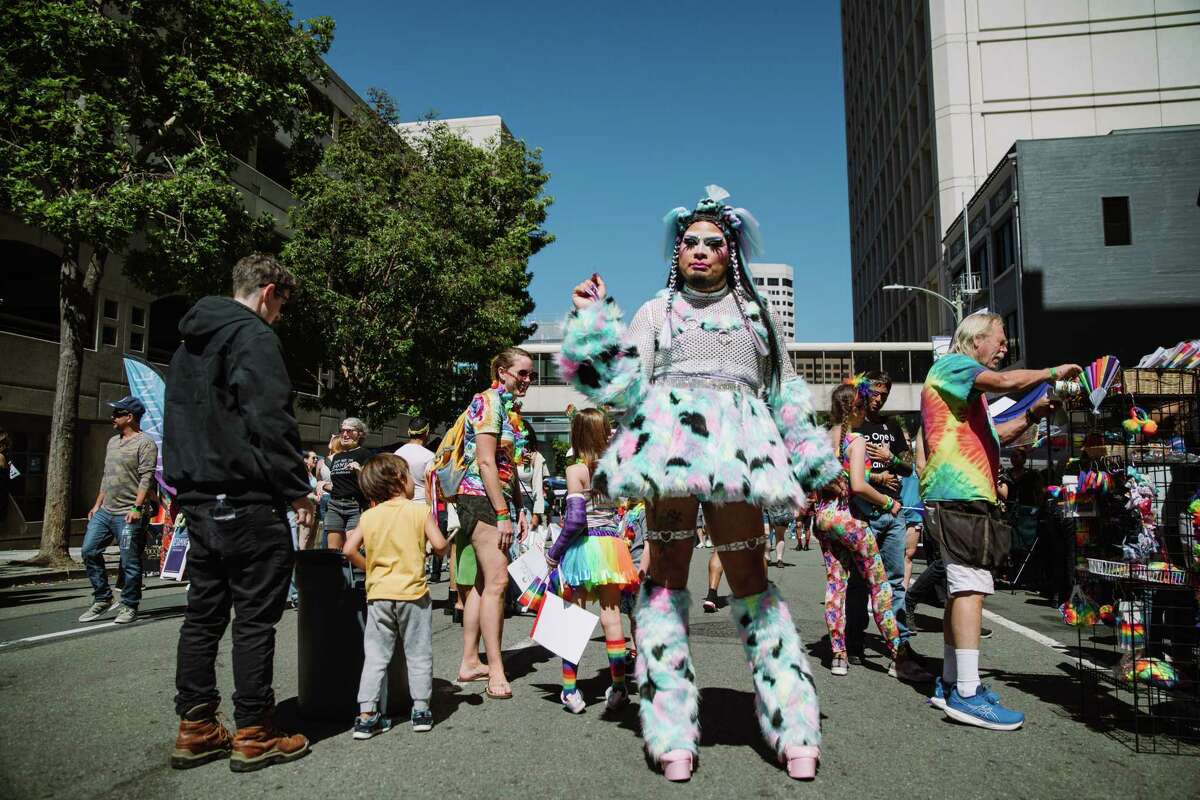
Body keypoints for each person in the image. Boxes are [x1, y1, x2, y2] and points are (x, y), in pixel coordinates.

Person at [558, 188, 840, 781]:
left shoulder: (756, 315)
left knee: (749, 578)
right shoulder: (656, 311)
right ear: (677, 250)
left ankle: (794, 723)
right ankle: (669, 727)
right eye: (690, 242)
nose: (702, 251)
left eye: (715, 242)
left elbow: (784, 390)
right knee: (663, 577)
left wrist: (815, 462)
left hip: (740, 453)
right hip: (671, 448)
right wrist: (589, 319)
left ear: (731, 250)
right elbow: (614, 385)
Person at [164, 253, 314, 772]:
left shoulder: (188, 345)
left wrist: (184, 489)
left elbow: (178, 423)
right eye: (282, 305)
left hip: (199, 499)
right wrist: (298, 490)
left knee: (202, 616)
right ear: (269, 291)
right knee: (254, 619)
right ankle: (254, 730)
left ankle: (197, 724)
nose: (280, 316)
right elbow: (270, 418)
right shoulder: (253, 336)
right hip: (247, 499)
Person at [921, 312, 1080, 730]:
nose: (1005, 348)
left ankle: (953, 682)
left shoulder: (965, 393)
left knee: (961, 590)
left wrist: (1034, 413)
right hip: (961, 495)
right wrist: (1052, 372)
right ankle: (968, 694)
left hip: (960, 496)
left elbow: (998, 436)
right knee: (971, 586)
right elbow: (1009, 382)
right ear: (975, 340)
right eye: (1001, 339)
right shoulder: (953, 366)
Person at [814, 381, 924, 680]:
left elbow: (830, 476)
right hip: (850, 519)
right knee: (881, 587)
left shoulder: (822, 439)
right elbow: (859, 486)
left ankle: (839, 655)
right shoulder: (855, 439)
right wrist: (890, 503)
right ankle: (898, 657)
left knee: (836, 586)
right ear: (856, 408)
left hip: (824, 517)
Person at [444, 347, 532, 699]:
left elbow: (507, 466)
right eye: (522, 373)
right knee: (497, 581)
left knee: (482, 582)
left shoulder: (507, 408)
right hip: (479, 498)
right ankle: (496, 668)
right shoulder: (488, 402)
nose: (527, 380)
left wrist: (519, 507)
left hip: (493, 499)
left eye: (531, 375)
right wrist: (501, 512)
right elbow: (484, 462)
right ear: (502, 371)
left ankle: (470, 661)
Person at [341, 454, 448, 738]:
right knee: (418, 652)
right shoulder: (419, 511)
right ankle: (421, 710)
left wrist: (371, 569)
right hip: (413, 593)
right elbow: (439, 545)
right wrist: (444, 545)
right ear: (401, 480)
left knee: (375, 655)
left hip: (379, 595)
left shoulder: (369, 516)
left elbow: (349, 550)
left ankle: (366, 715)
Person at [543, 408, 640, 714]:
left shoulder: (575, 470)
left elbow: (574, 522)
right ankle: (619, 687)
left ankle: (570, 691)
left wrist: (553, 553)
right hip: (612, 547)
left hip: (583, 548)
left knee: (573, 617)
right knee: (612, 618)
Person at [843, 370, 922, 668]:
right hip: (862, 512)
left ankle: (900, 643)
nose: (879, 399)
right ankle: (854, 642)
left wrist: (890, 458)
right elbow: (841, 465)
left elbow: (907, 468)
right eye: (875, 393)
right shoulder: (854, 423)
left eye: (884, 394)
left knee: (896, 582)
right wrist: (876, 475)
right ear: (865, 392)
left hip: (893, 514)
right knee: (860, 581)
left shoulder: (891, 425)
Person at [78, 395, 157, 625]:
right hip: (106, 511)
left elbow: (147, 478)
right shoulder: (112, 442)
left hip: (128, 513)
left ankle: (129, 605)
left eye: (117, 413)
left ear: (129, 417)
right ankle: (103, 598)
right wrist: (96, 504)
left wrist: (136, 507)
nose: (112, 417)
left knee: (129, 561)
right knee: (89, 550)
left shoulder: (145, 443)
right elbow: (107, 476)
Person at [322, 418, 371, 553]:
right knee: (333, 552)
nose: (344, 434)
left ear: (359, 434)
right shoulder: (337, 457)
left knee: (353, 550)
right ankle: (338, 575)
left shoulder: (365, 454)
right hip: (334, 505)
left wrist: (359, 471)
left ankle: (360, 573)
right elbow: (339, 485)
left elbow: (370, 484)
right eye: (342, 431)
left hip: (355, 506)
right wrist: (323, 486)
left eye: (349, 431)